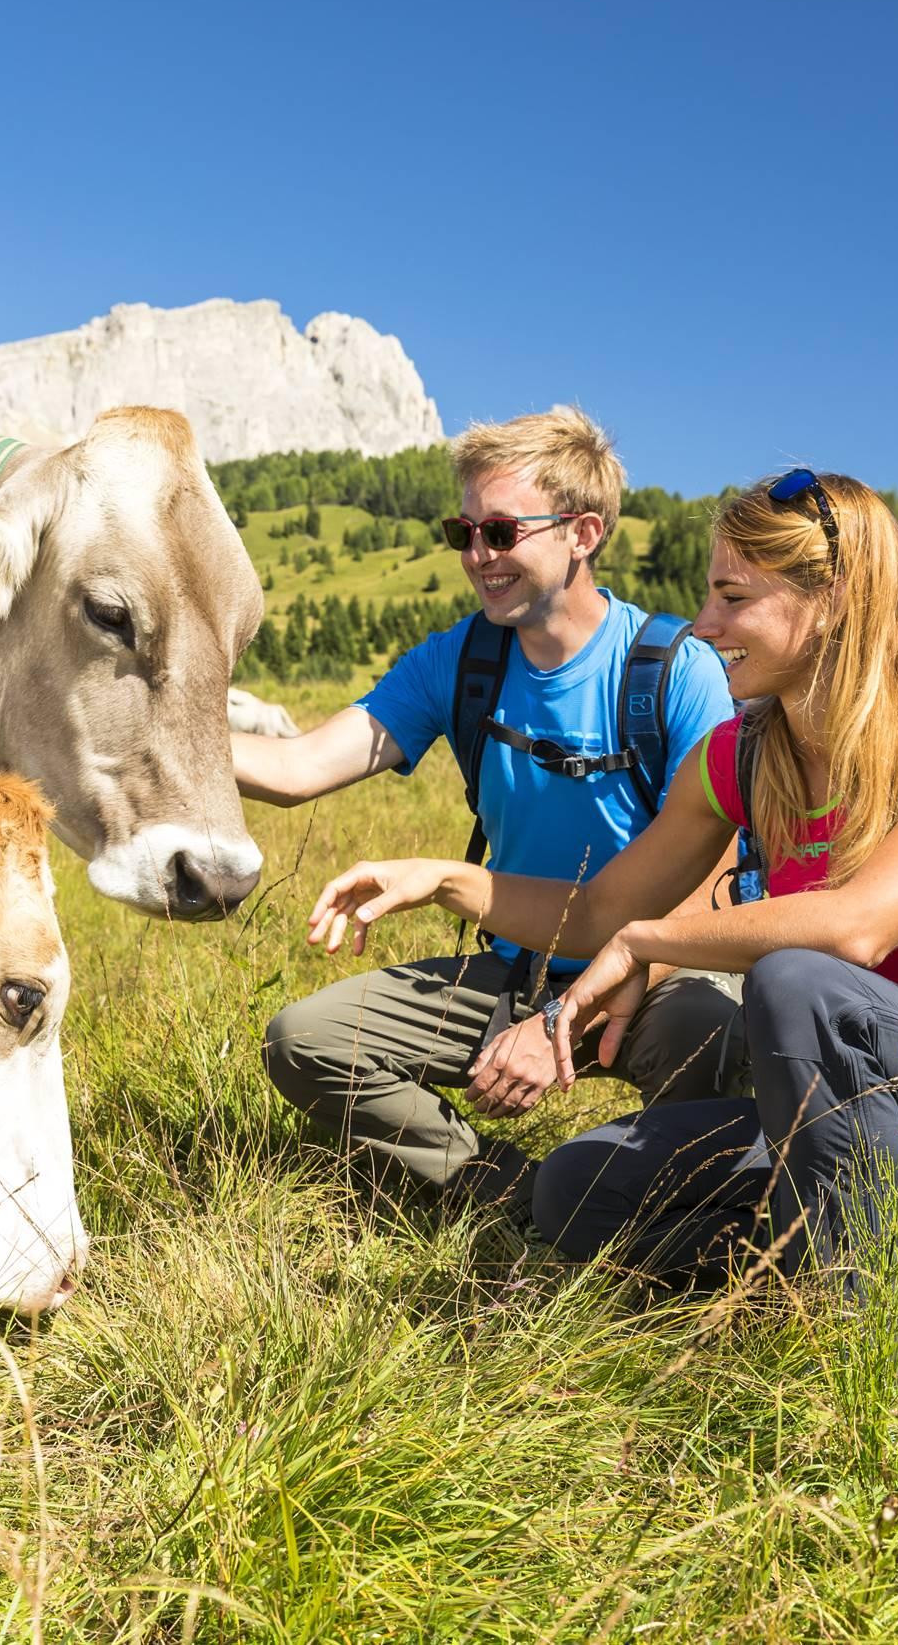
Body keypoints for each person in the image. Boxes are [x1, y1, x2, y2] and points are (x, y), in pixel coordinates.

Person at [308, 468, 898, 1363]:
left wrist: (650, 941)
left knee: (798, 980)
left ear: (832, 598)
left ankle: (859, 1356)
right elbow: (597, 911)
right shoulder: (740, 754)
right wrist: (447, 878)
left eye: (733, 597)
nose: (705, 625)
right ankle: (872, 1270)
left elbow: (857, 927)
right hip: (830, 1123)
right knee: (573, 1190)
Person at [237, 407, 737, 1219]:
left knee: (719, 1032)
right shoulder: (460, 662)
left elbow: (716, 889)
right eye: (463, 532)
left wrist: (567, 1015)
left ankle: (671, 1209)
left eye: (501, 532)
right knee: (306, 1040)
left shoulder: (677, 671)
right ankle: (516, 1194)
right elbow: (297, 768)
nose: (477, 556)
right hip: (519, 969)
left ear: (582, 533)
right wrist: (143, 734)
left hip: (658, 972)